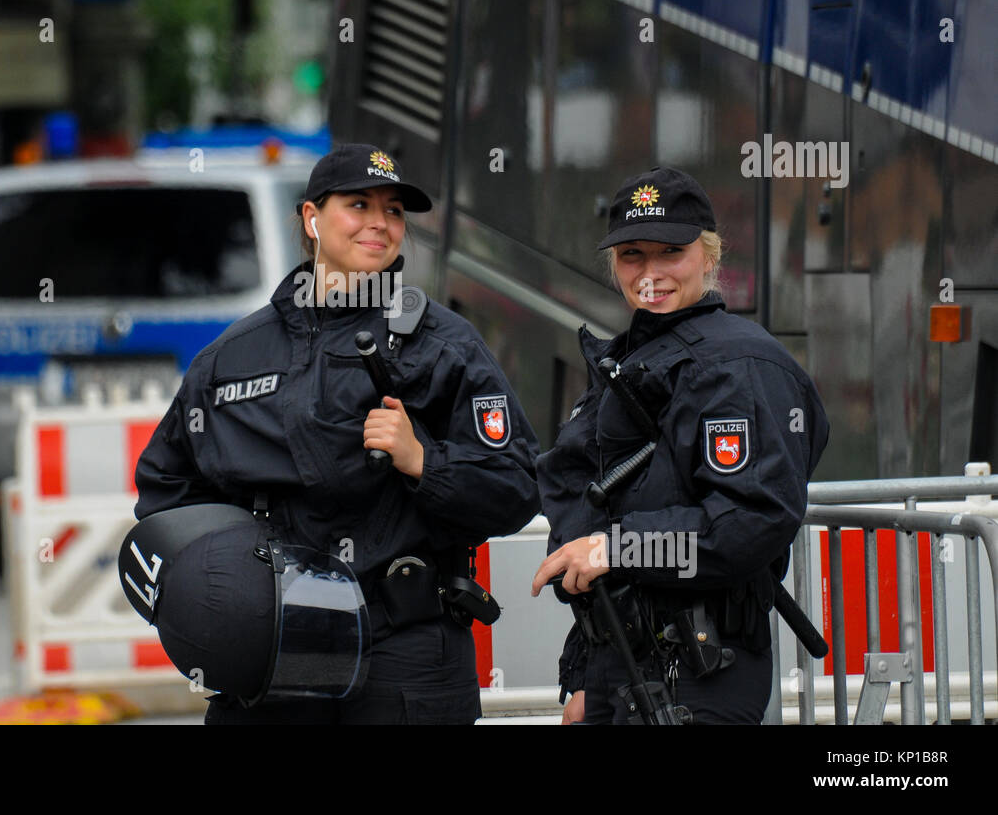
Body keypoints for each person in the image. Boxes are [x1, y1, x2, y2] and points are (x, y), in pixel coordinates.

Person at [134, 143, 540, 724]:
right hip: (271, 656)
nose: (380, 223)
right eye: (358, 204)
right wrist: (218, 594)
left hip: (404, 655)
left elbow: (517, 489)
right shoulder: (230, 359)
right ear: (311, 218)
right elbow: (166, 495)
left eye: (394, 210)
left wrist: (425, 463)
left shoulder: (445, 346)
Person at [530, 167, 829, 725]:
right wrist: (583, 680)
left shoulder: (741, 366)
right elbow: (592, 513)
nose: (650, 273)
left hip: (700, 672)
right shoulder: (631, 359)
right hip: (618, 667)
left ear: (709, 257)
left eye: (671, 251)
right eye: (632, 255)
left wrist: (620, 550)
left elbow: (751, 520)